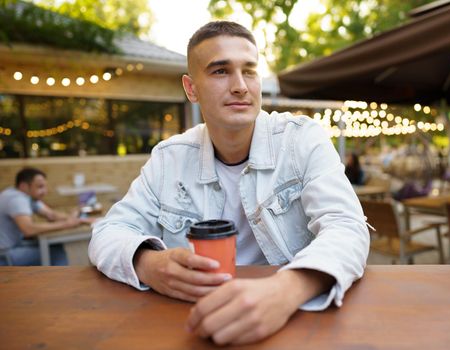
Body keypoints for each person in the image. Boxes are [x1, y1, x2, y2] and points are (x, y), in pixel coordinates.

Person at [89, 21, 369, 345]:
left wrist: (287, 289)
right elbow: (108, 232)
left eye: (249, 71)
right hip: (188, 322)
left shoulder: (301, 139)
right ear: (191, 89)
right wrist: (148, 262)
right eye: (220, 71)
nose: (240, 86)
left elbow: (347, 226)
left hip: (294, 323)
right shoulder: (169, 158)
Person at [0, 167, 91, 266]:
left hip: (15, 245)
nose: (45, 191)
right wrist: (66, 224)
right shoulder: (16, 199)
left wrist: (77, 217)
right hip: (5, 255)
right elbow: (28, 229)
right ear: (24, 186)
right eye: (40, 187)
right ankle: (59, 280)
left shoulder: (26, 196)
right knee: (55, 253)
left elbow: (51, 215)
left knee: (56, 246)